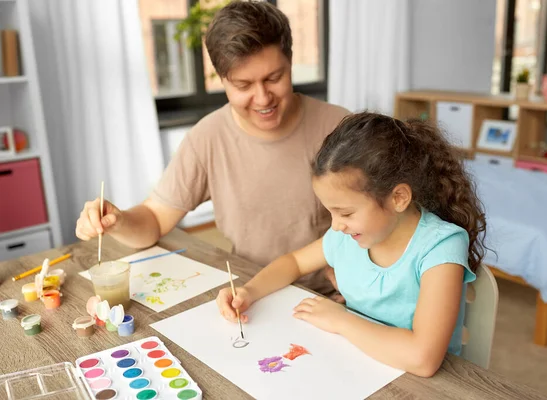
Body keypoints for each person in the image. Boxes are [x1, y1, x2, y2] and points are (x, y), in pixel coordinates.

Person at [75, 1, 349, 295]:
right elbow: (154, 220)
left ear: (291, 64)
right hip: (249, 293)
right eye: (243, 85)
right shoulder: (208, 137)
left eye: (274, 78)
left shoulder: (341, 128)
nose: (262, 98)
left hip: (330, 296)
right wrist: (117, 221)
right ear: (222, 80)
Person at [216, 112, 487, 377]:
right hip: (357, 366)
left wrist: (342, 320)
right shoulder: (348, 235)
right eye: (330, 212)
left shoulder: (440, 246)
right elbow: (294, 263)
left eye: (345, 213)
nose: (335, 225)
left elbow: (422, 359)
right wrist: (249, 291)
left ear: (398, 198)